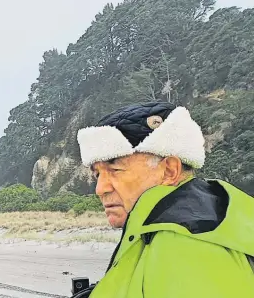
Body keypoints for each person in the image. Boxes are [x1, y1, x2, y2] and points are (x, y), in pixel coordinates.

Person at [75, 101, 254, 298]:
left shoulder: (187, 246)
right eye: (97, 175)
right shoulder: (212, 220)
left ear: (170, 170)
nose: (100, 189)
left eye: (115, 169)